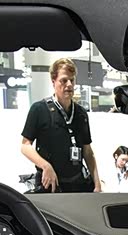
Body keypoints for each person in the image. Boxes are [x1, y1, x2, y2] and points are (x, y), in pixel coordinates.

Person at [21, 58, 101, 193]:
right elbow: (25, 146)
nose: (69, 85)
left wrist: (97, 184)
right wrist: (45, 166)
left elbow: (87, 151)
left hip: (77, 184)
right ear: (53, 82)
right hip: (50, 184)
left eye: (72, 80)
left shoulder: (81, 113)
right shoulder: (39, 109)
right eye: (64, 80)